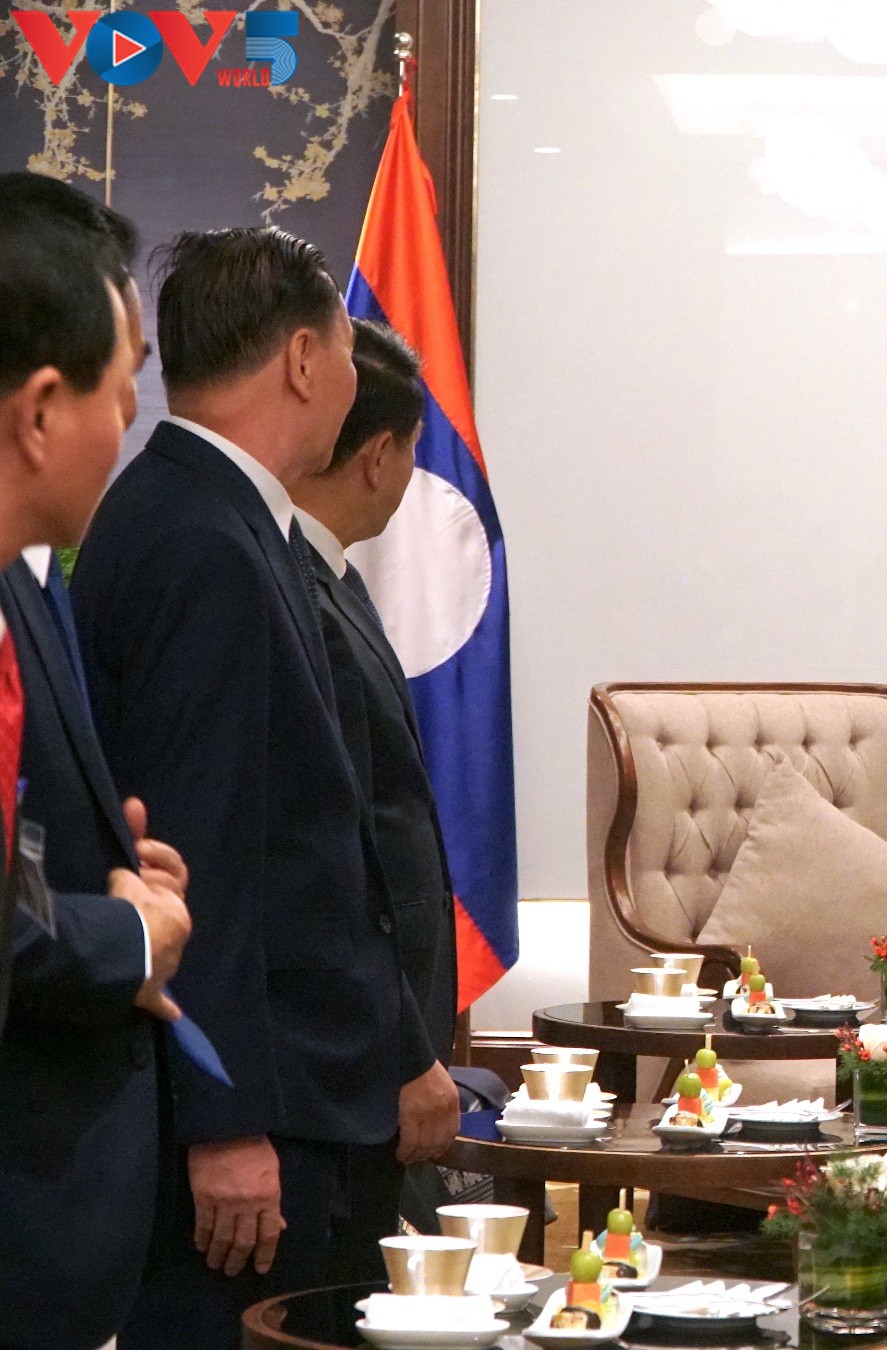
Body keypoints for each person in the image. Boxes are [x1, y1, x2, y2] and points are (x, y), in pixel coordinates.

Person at [74, 228, 451, 1350]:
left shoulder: (232, 519)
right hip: (263, 1116)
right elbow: (205, 850)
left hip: (309, 1093)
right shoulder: (203, 540)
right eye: (343, 350)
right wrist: (225, 1122)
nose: (352, 378)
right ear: (301, 358)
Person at [0, 173, 194, 1350]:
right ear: (39, 411)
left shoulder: (29, 583)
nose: (131, 424)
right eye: (121, 392)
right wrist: (129, 934)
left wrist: (114, 876)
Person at [286, 318, 461, 1229]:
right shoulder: (295, 591)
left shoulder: (337, 579)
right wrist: (403, 1048)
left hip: (386, 1033)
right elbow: (339, 849)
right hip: (354, 1053)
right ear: (381, 454)